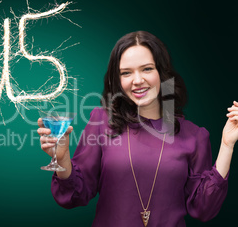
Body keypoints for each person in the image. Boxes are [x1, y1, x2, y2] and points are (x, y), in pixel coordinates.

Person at [37, 31, 237, 227]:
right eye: (126, 73)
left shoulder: (194, 136)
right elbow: (76, 196)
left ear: (162, 73)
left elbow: (203, 209)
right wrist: (62, 159)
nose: (137, 80)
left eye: (147, 69)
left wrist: (227, 145)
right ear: (118, 80)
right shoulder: (101, 121)